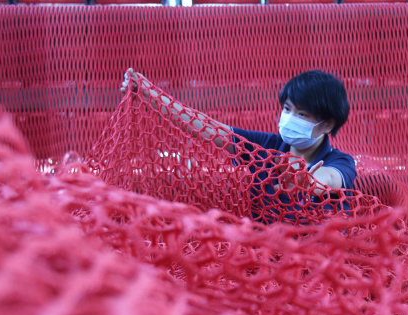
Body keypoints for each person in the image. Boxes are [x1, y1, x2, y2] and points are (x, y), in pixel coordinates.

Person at [120, 68, 356, 215]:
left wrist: (308, 183)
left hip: (316, 256)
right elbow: (204, 127)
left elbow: (330, 178)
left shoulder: (341, 162)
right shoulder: (263, 147)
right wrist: (149, 94)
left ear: (328, 124)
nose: (290, 118)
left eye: (302, 114)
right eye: (287, 109)